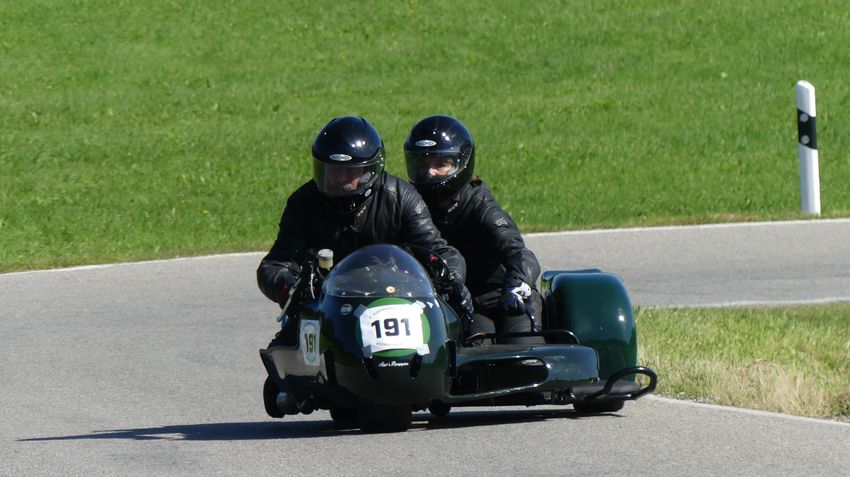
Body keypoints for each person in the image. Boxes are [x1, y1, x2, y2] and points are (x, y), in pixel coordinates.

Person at [257, 116, 473, 341]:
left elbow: (442, 253)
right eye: (333, 170)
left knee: (450, 352)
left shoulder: (401, 198)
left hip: (395, 305)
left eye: (350, 171)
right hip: (327, 309)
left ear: (370, 170)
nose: (341, 179)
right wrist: (290, 287)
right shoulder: (303, 202)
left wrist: (452, 281)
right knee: (281, 360)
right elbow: (275, 264)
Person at [404, 115, 543, 345]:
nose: (430, 173)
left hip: (508, 300)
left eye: (440, 164)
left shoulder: (482, 208)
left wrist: (517, 287)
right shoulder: (412, 206)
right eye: (423, 164)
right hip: (466, 305)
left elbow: (520, 254)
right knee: (474, 359)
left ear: (461, 163)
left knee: (524, 354)